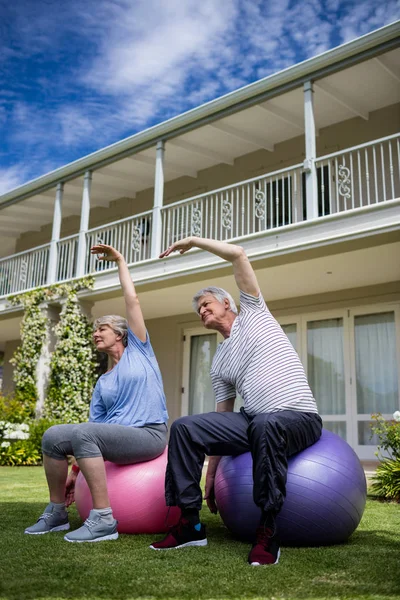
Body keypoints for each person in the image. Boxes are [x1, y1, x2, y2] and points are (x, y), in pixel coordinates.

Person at [150, 237, 322, 565]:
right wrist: (212, 477)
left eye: (206, 304)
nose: (202, 311)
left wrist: (193, 242)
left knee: (266, 422)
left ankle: (268, 530)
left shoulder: (254, 314)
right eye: (198, 309)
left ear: (228, 303)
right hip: (253, 420)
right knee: (185, 428)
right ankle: (190, 523)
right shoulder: (219, 362)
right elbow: (222, 415)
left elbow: (238, 255)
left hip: (297, 417)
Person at [25, 244, 168, 543]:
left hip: (148, 435)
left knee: (84, 433)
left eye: (101, 328)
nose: (95, 333)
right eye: (94, 330)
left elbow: (133, 300)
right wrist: (74, 475)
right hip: (115, 439)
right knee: (53, 435)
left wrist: (120, 261)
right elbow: (90, 429)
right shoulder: (103, 382)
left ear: (120, 333)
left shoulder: (140, 350)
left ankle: (103, 519)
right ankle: (56, 513)